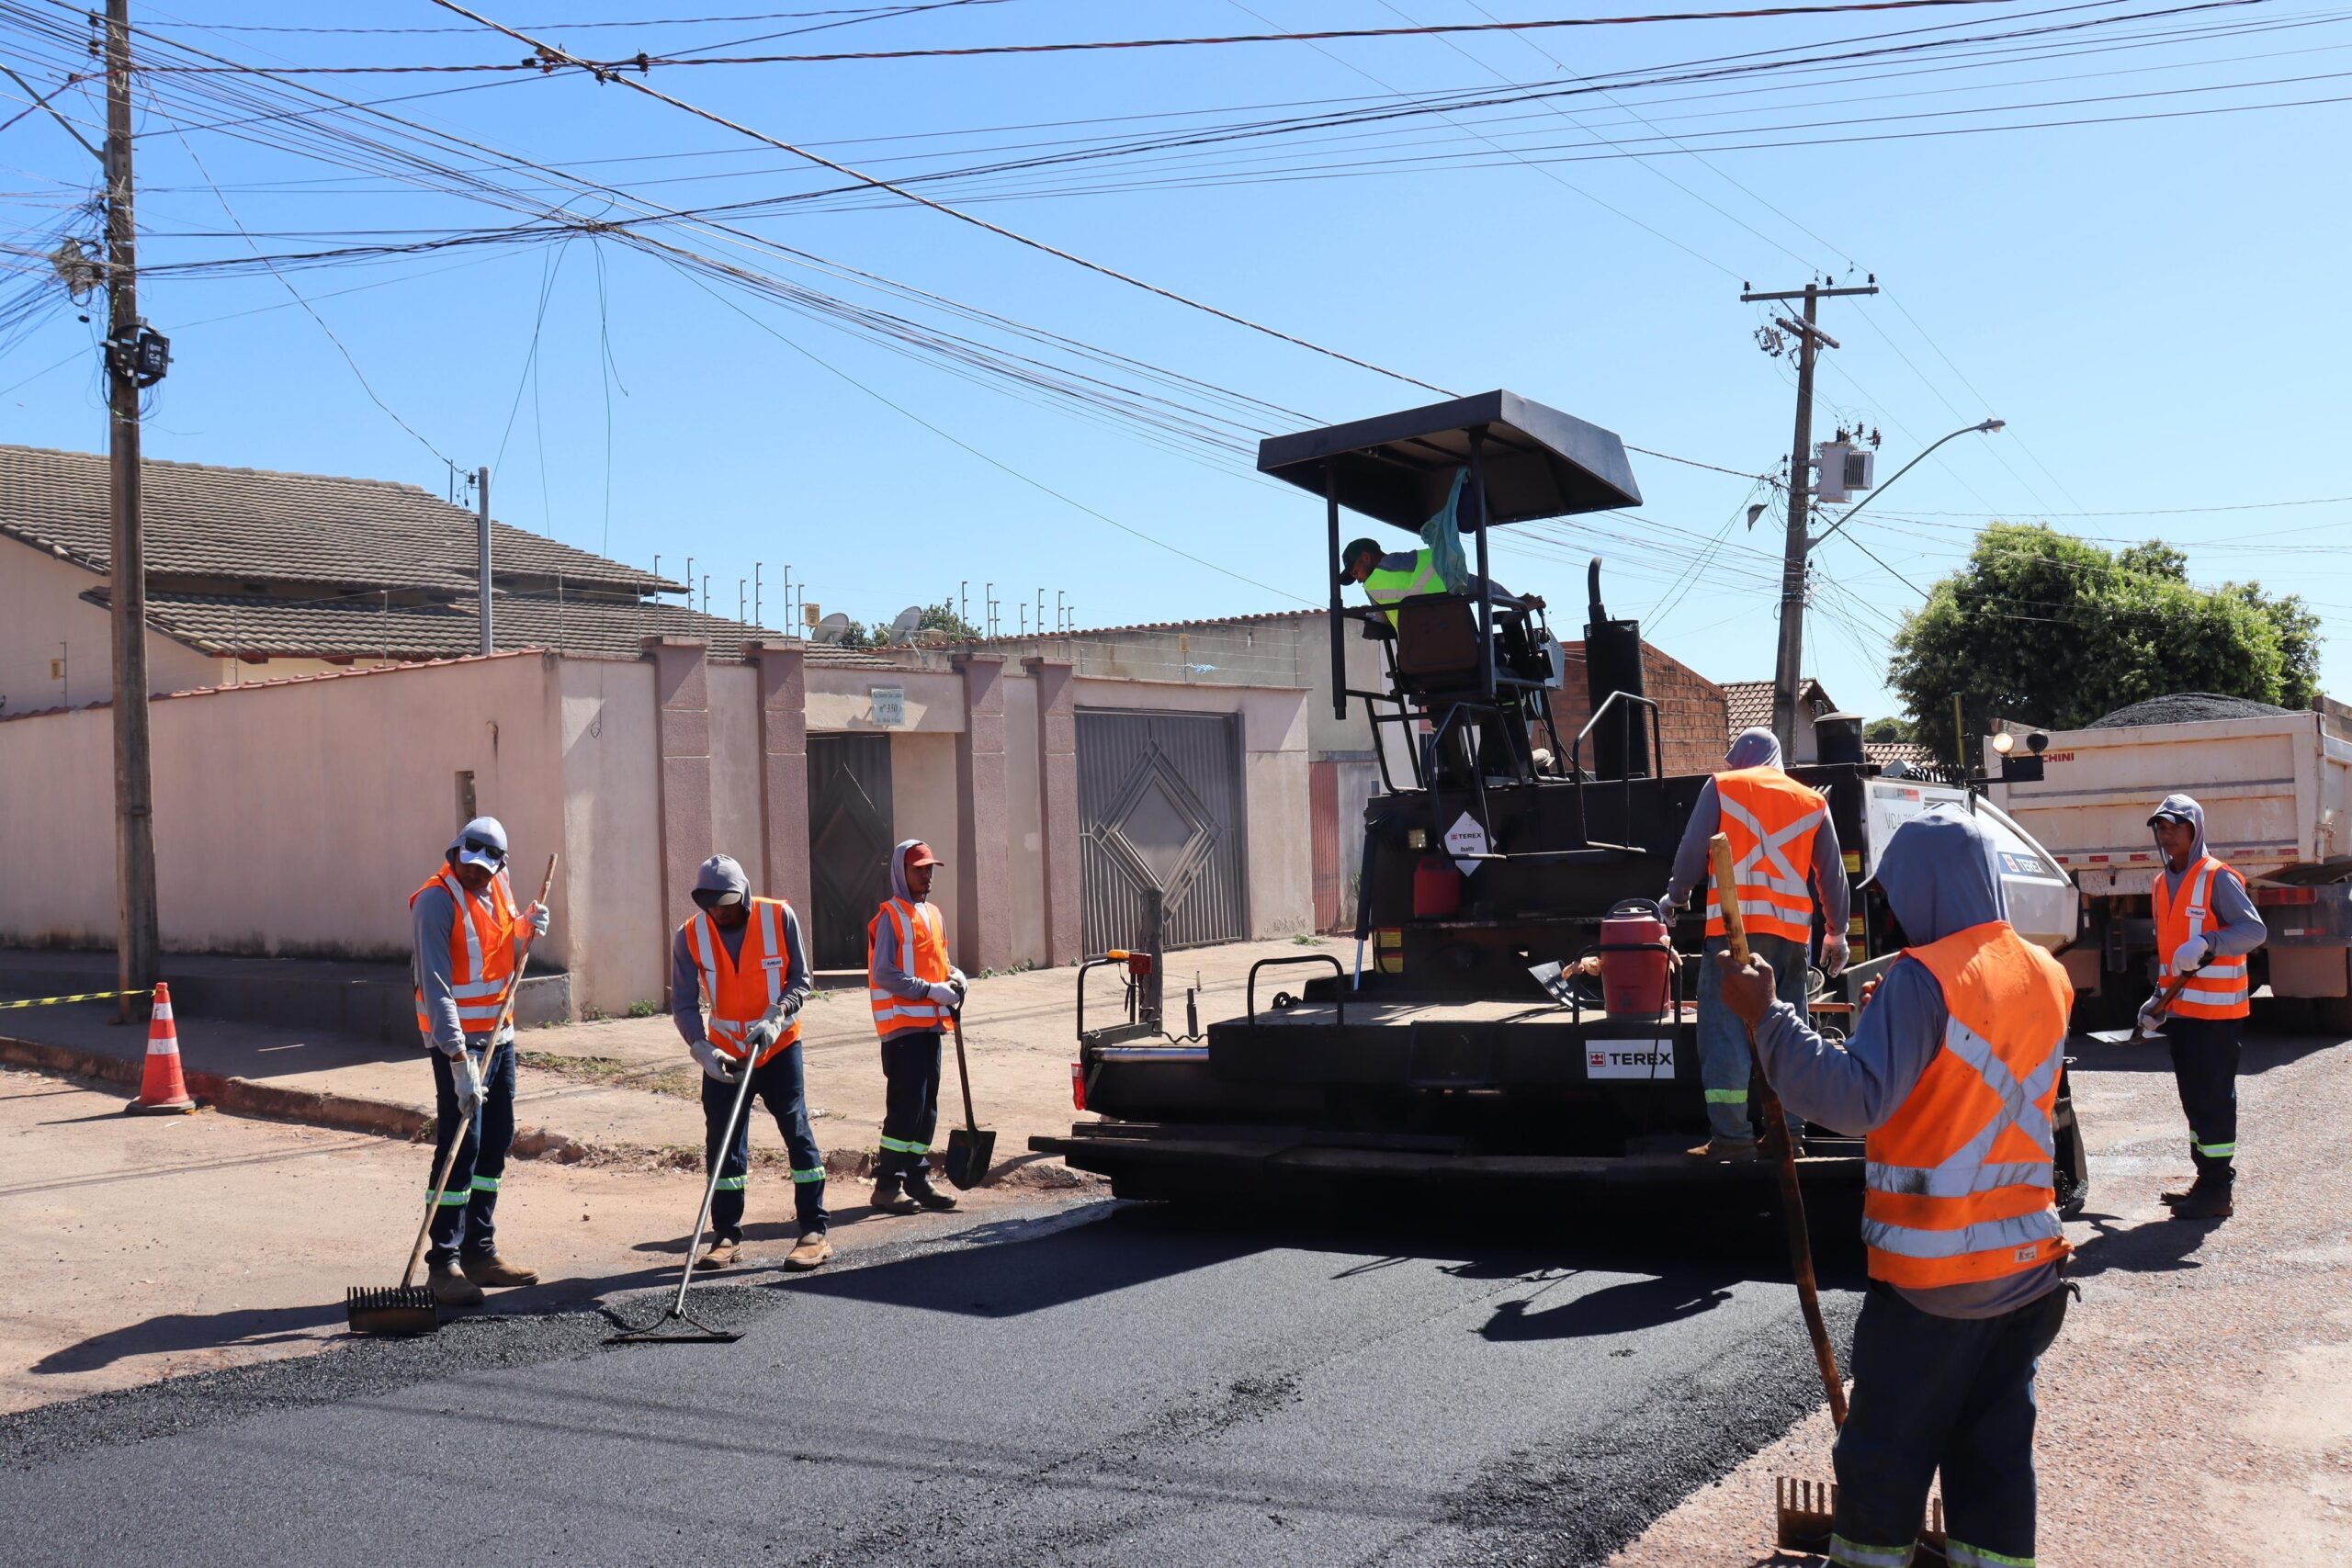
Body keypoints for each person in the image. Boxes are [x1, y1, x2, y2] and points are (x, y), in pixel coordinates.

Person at [1713, 807, 2074, 1568]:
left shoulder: (1923, 978)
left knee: (1883, 1457)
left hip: (1937, 1286)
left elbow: (1852, 1101)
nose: (1895, 912)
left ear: (1929, 886)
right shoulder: (2046, 973)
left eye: (1899, 893)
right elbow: (1970, 1089)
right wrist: (1894, 1035)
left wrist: (1768, 1018)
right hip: (2029, 1276)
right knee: (1995, 1464)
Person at [1662, 727, 1849, 1159]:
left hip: (1732, 933)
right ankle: (1790, 1136)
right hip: (1789, 939)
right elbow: (1832, 873)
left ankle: (1732, 1138)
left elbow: (1693, 849)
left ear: (1745, 756)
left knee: (1724, 1033)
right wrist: (1836, 932)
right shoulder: (1812, 801)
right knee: (1788, 1033)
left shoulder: (1723, 787)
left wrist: (1676, 895)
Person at [410, 816, 548, 1307]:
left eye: (486, 870)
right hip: (457, 1044)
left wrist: (526, 928)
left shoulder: (498, 884)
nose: (476, 876)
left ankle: (479, 1250)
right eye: (469, 866)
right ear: (455, 853)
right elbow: (437, 985)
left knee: (494, 1142)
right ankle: (443, 1262)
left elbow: (499, 949)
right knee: (458, 1148)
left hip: (499, 1035)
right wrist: (456, 1059)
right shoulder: (434, 902)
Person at [671, 854, 831, 1271]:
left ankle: (813, 1231)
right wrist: (701, 1049)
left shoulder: (779, 917)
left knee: (795, 1129)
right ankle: (725, 1235)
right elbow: (684, 1004)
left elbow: (801, 978)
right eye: (713, 906)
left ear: (744, 892)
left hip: (777, 1048)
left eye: (728, 903)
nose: (721, 912)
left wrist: (777, 1016)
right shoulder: (689, 936)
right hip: (725, 1053)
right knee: (722, 1141)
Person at [2141, 793, 2265, 1222]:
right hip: (2183, 1016)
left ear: (2195, 829)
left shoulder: (2217, 877)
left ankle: (2217, 1191)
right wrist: (2158, 1001)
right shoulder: (2160, 884)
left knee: (2213, 1102)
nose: (2167, 832)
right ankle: (2205, 1181)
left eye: (2176, 824)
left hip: (2217, 1018)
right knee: (2195, 1101)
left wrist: (2210, 942)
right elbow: (2170, 955)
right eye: (2161, 825)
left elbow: (2253, 930)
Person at [866, 840, 967, 1216]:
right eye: (919, 869)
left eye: (929, 869)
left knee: (927, 1109)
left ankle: (918, 1178)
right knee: (906, 1109)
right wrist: (930, 990)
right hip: (902, 1028)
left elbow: (938, 959)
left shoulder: (934, 914)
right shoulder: (889, 917)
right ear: (900, 872)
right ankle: (888, 1185)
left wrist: (954, 977)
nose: (926, 875)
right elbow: (884, 973)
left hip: (930, 1025)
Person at [1338, 536, 1532, 626]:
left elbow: (1383, 621)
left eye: (1355, 573)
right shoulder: (1432, 560)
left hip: (1417, 663)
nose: (1358, 580)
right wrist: (1515, 602)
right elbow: (1475, 584)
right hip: (1464, 649)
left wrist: (1364, 614)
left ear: (1366, 557)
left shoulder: (1372, 587)